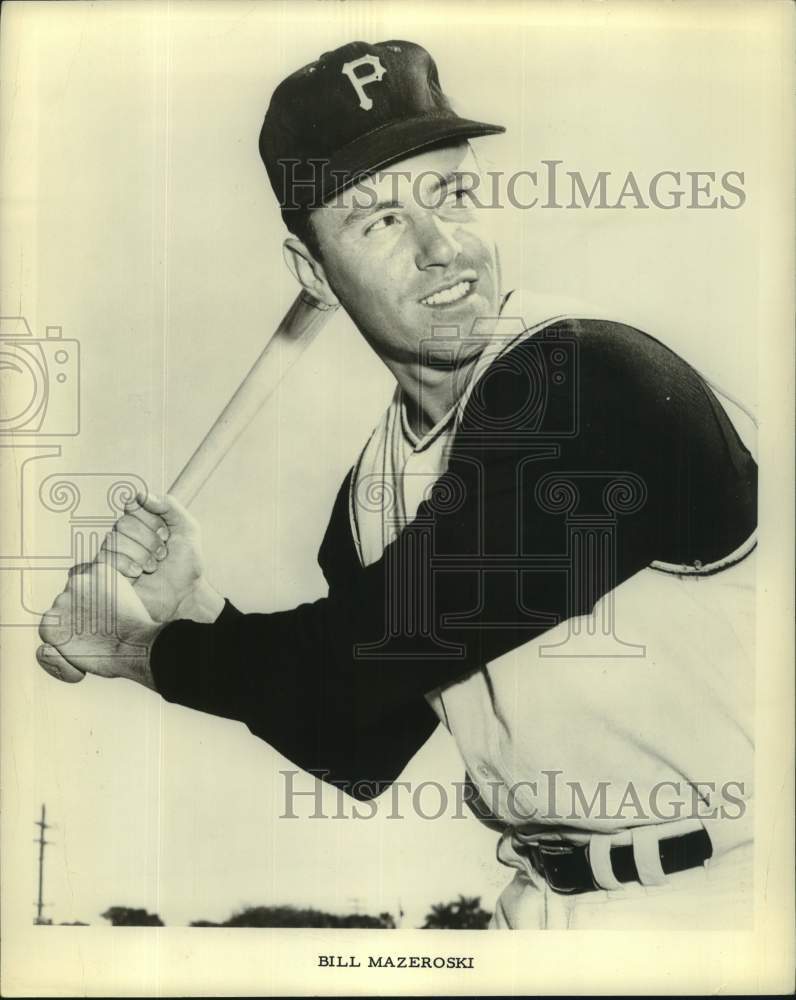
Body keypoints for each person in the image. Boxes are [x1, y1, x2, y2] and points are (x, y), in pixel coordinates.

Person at [37, 40, 757, 929]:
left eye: (451, 193)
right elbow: (357, 736)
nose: (441, 249)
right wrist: (192, 610)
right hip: (542, 908)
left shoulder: (591, 383)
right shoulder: (372, 493)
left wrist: (132, 648)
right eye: (377, 221)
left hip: (732, 897)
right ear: (314, 275)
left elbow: (367, 651)